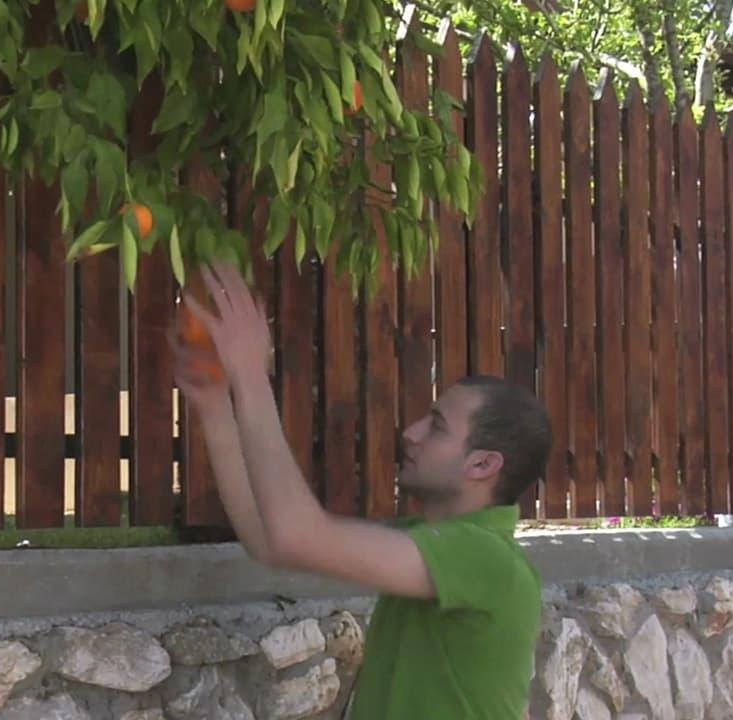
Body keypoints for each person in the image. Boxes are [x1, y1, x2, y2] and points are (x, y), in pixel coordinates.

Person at [172, 262, 552, 719]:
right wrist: (216, 407)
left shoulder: (486, 559)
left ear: (483, 464)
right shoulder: (432, 543)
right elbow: (270, 541)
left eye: (436, 427)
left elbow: (297, 534)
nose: (410, 433)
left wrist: (251, 373)